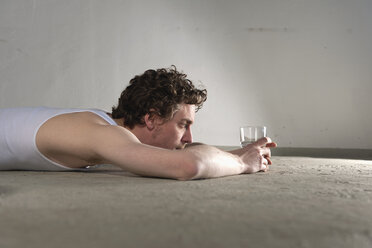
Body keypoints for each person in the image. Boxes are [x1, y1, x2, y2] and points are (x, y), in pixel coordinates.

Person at [0, 66, 277, 180]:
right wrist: (241, 163)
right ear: (151, 118)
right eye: (183, 125)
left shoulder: (102, 126)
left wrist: (232, 154)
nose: (189, 138)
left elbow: (189, 152)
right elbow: (189, 165)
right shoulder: (103, 135)